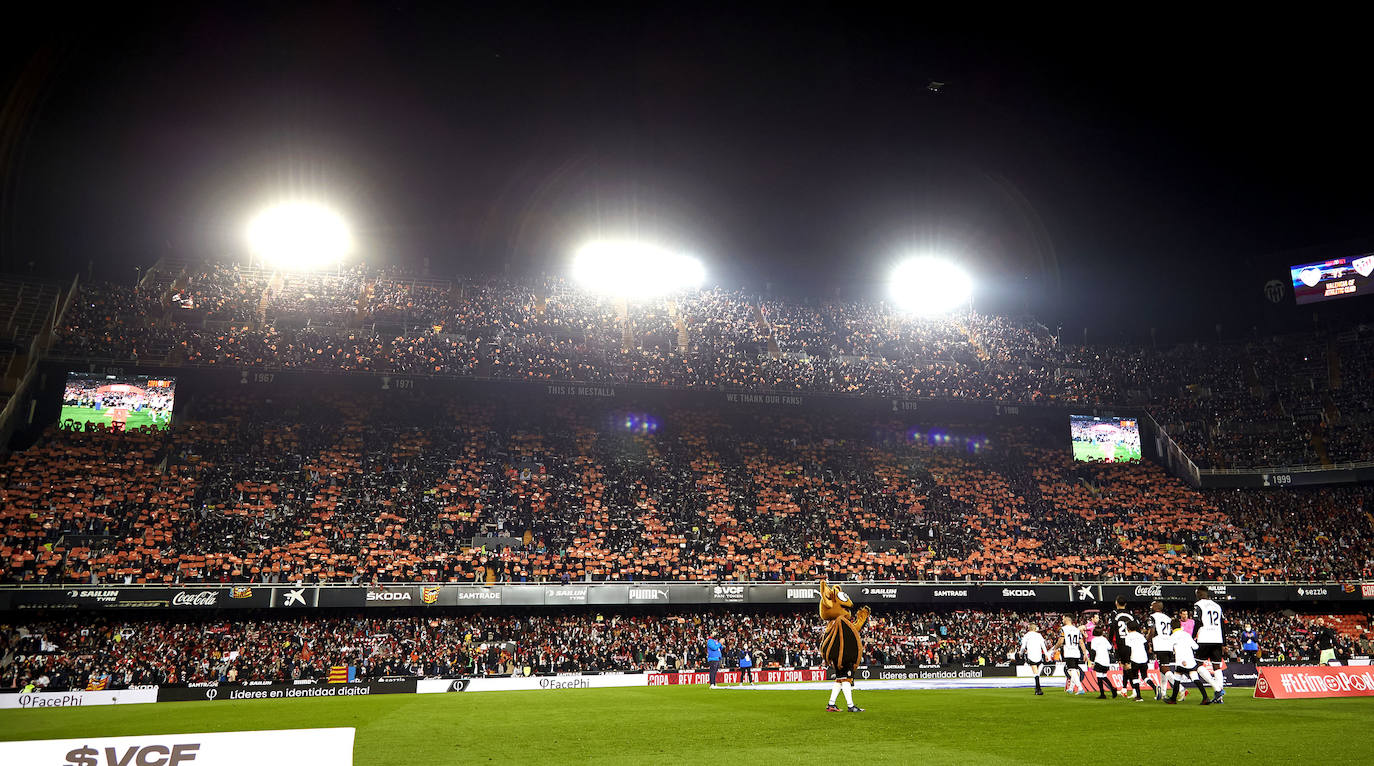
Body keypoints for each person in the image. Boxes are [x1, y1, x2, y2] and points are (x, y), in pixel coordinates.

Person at [1191, 587, 1226, 703]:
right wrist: (1224, 643)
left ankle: (1216, 688)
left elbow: (1198, 622)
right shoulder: (1217, 606)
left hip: (1205, 638)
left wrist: (1192, 637)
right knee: (1217, 666)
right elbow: (1222, 625)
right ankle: (1220, 697)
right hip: (1217, 639)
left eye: (1196, 593)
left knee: (1199, 665)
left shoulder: (1198, 605)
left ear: (1200, 593)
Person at [1167, 617, 1211, 705]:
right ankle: (1205, 697)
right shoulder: (1186, 634)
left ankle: (1173, 699)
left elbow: (1169, 649)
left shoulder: (1172, 637)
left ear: (1171, 628)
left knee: (1176, 679)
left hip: (1180, 661)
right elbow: (1196, 647)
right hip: (1190, 660)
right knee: (1195, 678)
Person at [1147, 601, 1175, 700]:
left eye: (1152, 605)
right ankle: (1163, 693)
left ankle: (1180, 688)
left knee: (1164, 669)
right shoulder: (1167, 618)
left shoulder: (1152, 617)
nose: (1150, 606)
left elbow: (1152, 630)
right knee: (1163, 668)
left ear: (1155, 607)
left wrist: (1147, 640)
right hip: (1168, 644)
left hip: (1159, 644)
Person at [1053, 614, 1086, 695]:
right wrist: (1085, 653)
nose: (1062, 620)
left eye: (1063, 618)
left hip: (1068, 652)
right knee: (1074, 669)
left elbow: (1061, 641)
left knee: (1072, 670)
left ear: (1067, 619)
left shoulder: (1063, 629)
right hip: (1076, 652)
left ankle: (1080, 688)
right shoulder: (1076, 630)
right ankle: (1071, 688)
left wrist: (1055, 648)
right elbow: (1081, 642)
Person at [1123, 626, 1158, 702]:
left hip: (1134, 658)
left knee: (1135, 677)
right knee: (1145, 676)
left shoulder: (1128, 636)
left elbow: (1127, 649)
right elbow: (1146, 646)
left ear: (1128, 629)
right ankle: (1155, 688)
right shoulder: (1140, 636)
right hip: (1143, 658)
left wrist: (1127, 661)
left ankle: (1139, 696)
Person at [1018, 622, 1050, 696]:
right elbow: (1043, 646)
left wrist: (1021, 653)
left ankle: (1038, 689)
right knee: (1037, 672)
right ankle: (1038, 688)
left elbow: (1023, 647)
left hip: (1031, 655)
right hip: (1039, 655)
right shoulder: (1039, 635)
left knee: (1035, 673)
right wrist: (1046, 655)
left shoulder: (1026, 636)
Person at [1089, 629, 1117, 699]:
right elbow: (1110, 648)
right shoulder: (1104, 639)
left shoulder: (1094, 640)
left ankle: (1102, 694)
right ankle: (1112, 689)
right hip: (1106, 660)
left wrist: (1092, 662)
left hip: (1099, 660)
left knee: (1099, 677)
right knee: (1104, 676)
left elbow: (1093, 651)